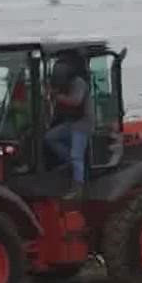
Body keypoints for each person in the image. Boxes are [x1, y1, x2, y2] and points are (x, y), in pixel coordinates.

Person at [42, 52, 92, 192]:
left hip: (82, 123)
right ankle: (70, 163)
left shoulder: (78, 83)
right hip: (70, 123)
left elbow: (76, 101)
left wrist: (57, 97)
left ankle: (78, 186)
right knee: (50, 138)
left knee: (77, 155)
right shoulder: (62, 84)